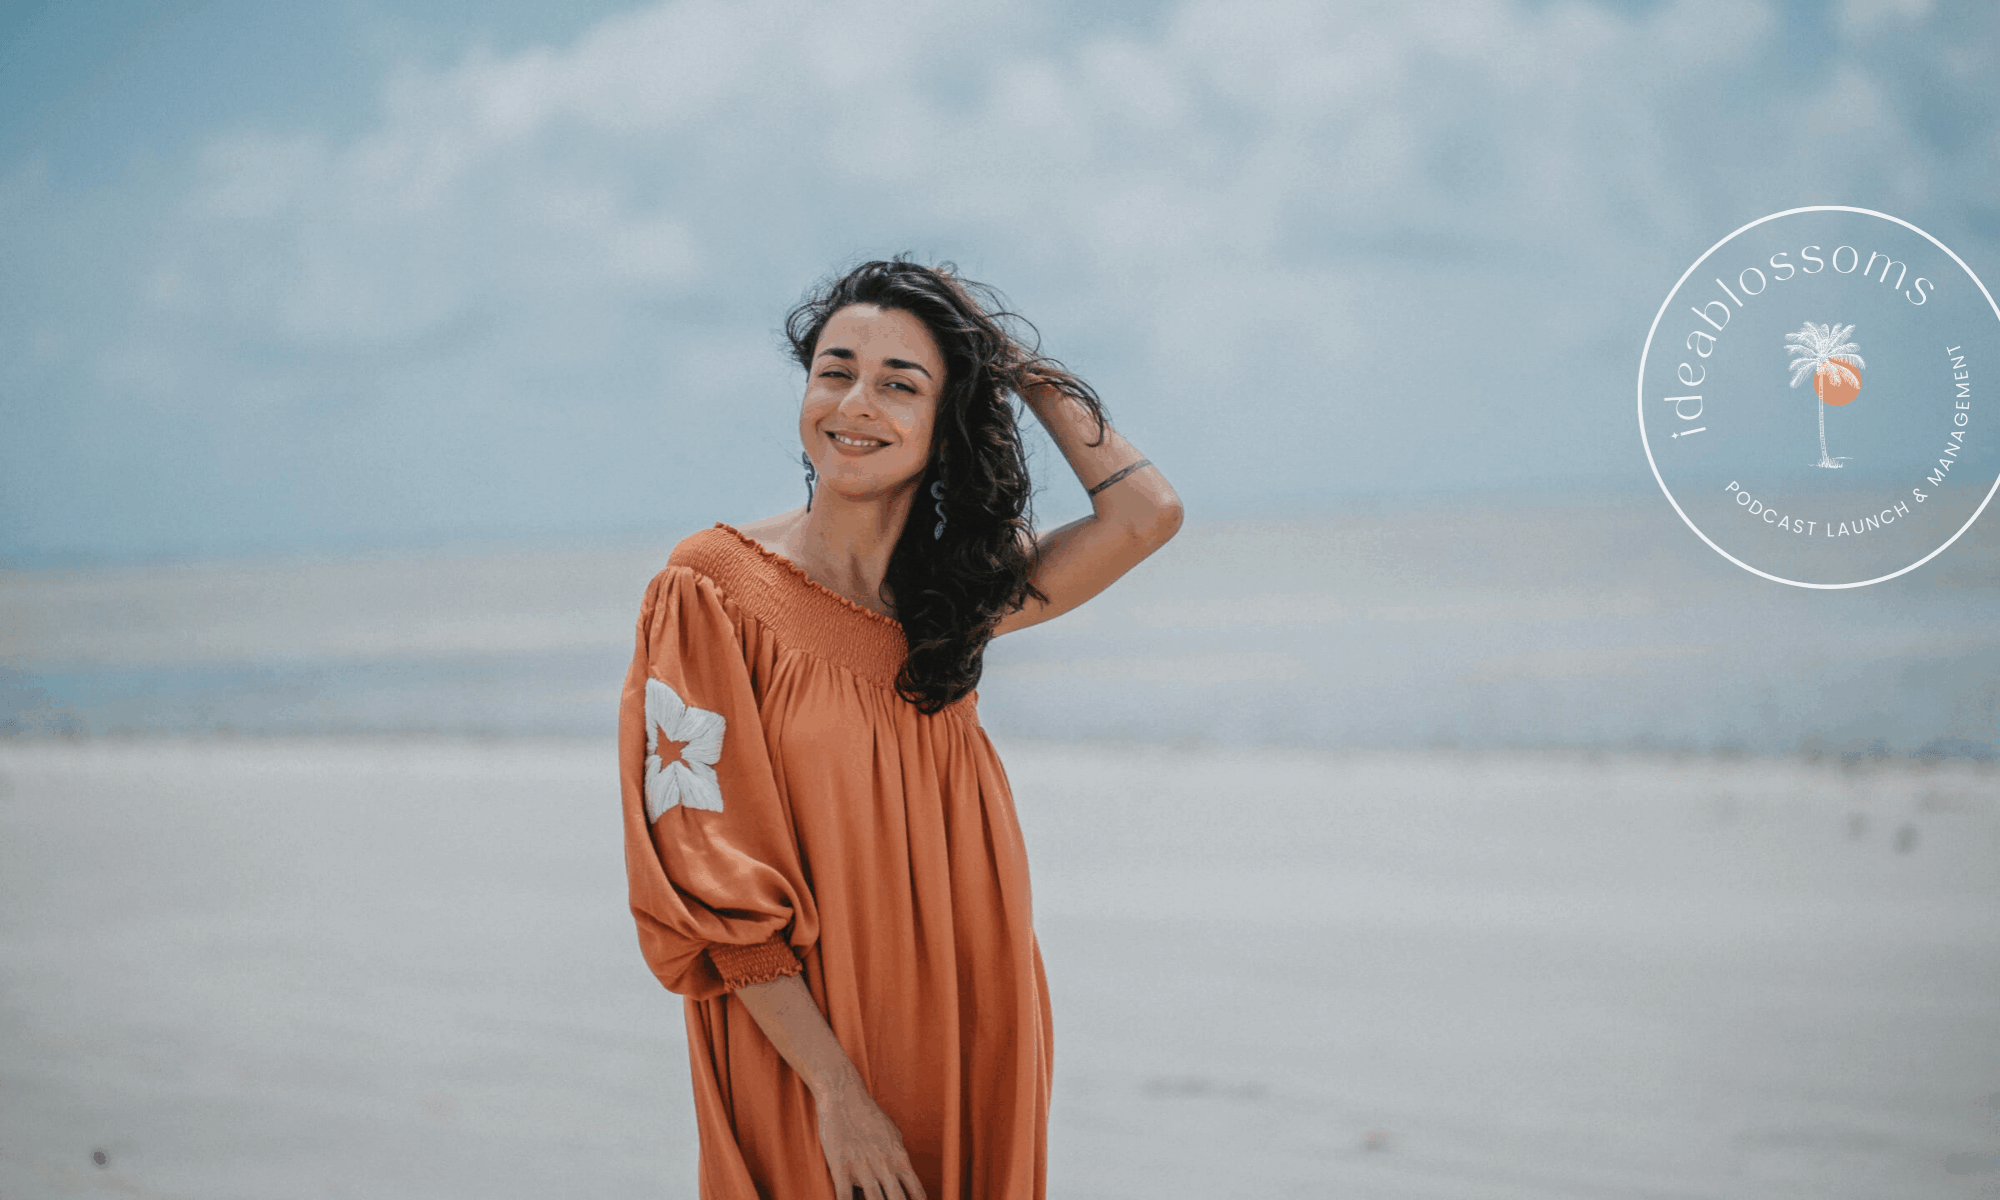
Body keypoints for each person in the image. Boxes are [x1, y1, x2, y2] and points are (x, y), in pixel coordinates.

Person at [618, 257, 1181, 1199]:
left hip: (971, 1009)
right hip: (806, 1047)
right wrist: (838, 1093)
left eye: (900, 384)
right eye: (835, 371)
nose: (856, 404)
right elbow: (705, 869)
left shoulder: (953, 600)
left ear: (945, 418)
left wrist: (1013, 367)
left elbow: (1145, 512)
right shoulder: (710, 587)